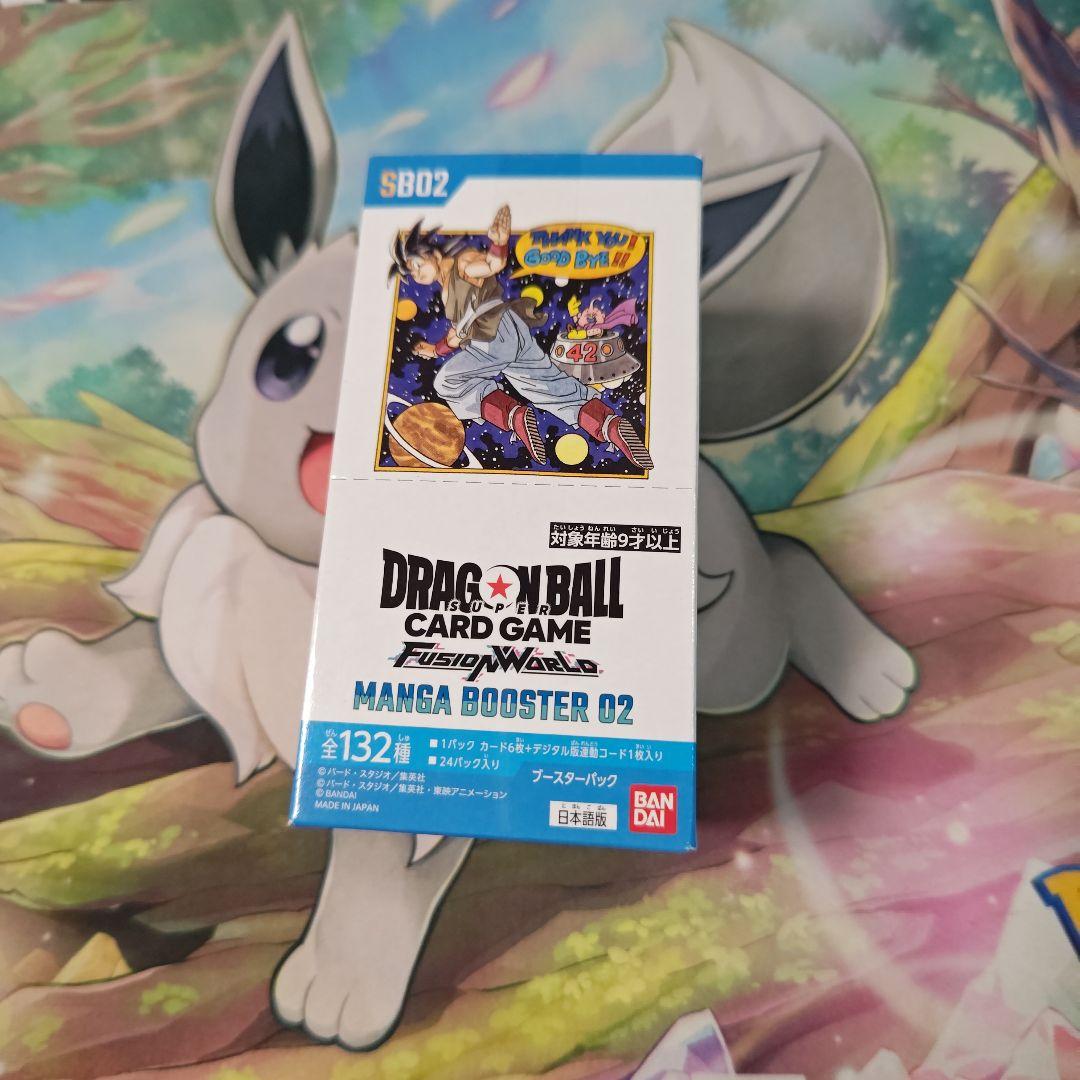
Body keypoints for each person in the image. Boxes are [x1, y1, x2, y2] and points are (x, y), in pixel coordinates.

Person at [389, 205, 653, 469]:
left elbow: (491, 265)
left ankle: (512, 415)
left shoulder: (462, 263)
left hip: (491, 336)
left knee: (448, 382)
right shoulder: (447, 283)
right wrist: (435, 350)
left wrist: (499, 243)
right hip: (510, 330)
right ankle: (609, 425)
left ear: (431, 252)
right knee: (548, 386)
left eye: (416, 264)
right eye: (411, 273)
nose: (417, 274)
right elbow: (458, 334)